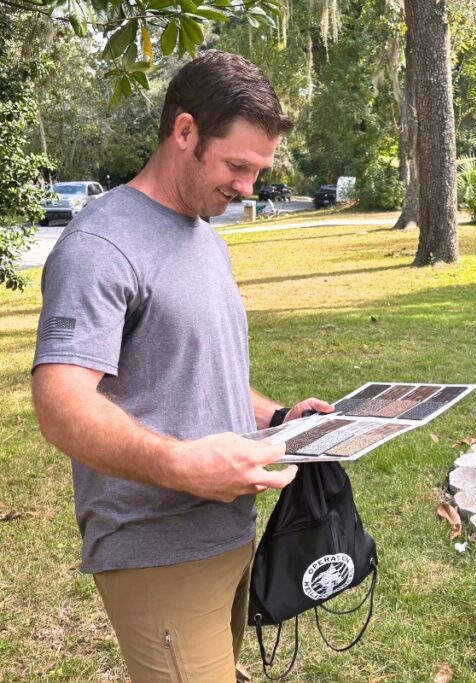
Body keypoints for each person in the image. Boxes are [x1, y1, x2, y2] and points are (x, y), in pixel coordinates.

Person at [32, 51, 333, 682]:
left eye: (258, 171)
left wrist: (276, 417)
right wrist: (181, 465)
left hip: (227, 533)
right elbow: (60, 405)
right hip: (157, 548)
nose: (248, 187)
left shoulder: (204, 236)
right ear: (186, 131)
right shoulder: (100, 245)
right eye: (237, 166)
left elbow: (196, 369)